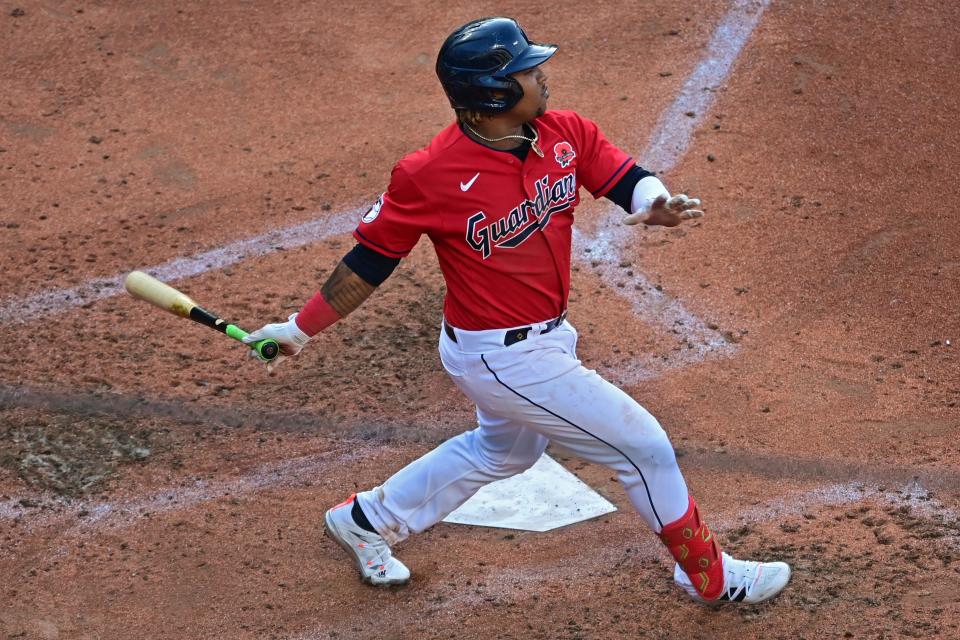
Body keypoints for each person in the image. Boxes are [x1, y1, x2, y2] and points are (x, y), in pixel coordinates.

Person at [244, 17, 791, 604]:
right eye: (526, 71)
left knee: (504, 450)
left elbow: (624, 176)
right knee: (645, 448)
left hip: (546, 340)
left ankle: (367, 520)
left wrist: (654, 202)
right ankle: (707, 575)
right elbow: (368, 264)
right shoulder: (428, 174)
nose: (541, 76)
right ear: (492, 92)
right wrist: (300, 329)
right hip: (502, 359)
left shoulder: (564, 132)